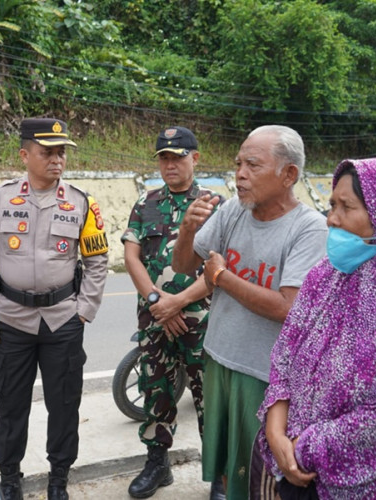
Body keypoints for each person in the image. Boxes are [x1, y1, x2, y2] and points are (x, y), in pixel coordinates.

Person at [172, 125, 328, 499]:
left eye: (252, 165)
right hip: (219, 358)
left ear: (288, 174)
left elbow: (290, 308)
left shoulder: (309, 229)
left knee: (258, 475)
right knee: (225, 466)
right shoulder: (232, 211)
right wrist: (187, 230)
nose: (239, 174)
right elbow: (184, 266)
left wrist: (224, 278)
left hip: (264, 376)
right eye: (238, 163)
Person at [258, 157, 376, 499]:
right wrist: (276, 431)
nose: (331, 218)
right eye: (332, 204)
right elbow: (287, 350)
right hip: (292, 463)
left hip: (366, 485)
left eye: (346, 207)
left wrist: (304, 448)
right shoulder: (326, 274)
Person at [0, 118, 108, 500]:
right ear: (25, 155)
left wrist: (84, 311)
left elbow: (97, 260)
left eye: (61, 152)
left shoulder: (81, 202)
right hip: (11, 320)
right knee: (11, 404)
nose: (57, 159)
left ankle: (59, 477)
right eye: (48, 152)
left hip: (63, 319)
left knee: (64, 405)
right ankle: (10, 477)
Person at [121, 126, 221, 498]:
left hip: (201, 318)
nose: (170, 164)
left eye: (177, 157)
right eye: (163, 157)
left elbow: (221, 266)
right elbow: (131, 255)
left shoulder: (215, 205)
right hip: (154, 317)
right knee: (155, 388)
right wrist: (155, 302)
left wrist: (177, 303)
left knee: (207, 395)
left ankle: (218, 474)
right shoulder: (145, 203)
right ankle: (157, 463)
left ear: (195, 158)